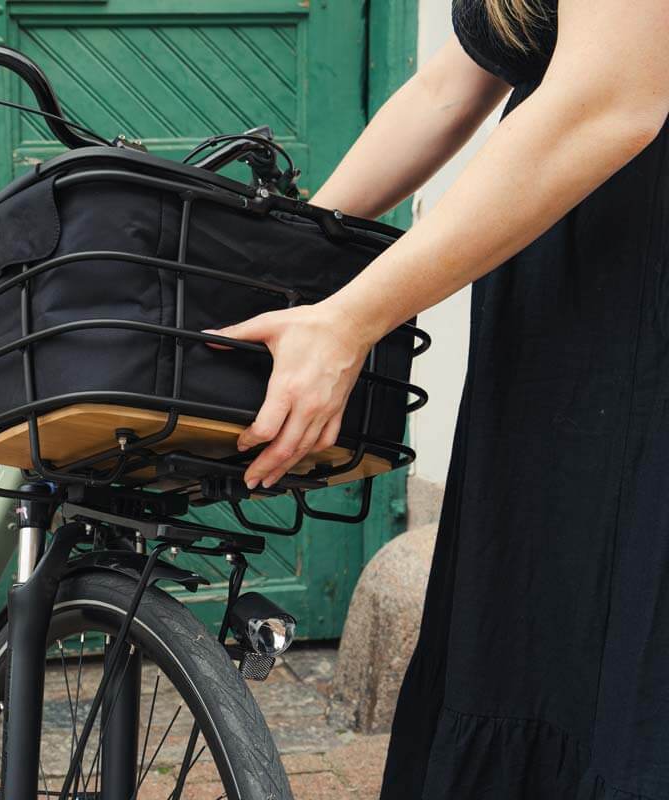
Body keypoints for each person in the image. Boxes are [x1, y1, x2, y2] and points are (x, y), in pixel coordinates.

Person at [209, 0, 669, 796]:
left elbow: (615, 99)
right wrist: (297, 255)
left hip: (643, 293)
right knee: (542, 627)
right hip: (572, 292)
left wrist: (352, 318)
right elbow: (444, 93)